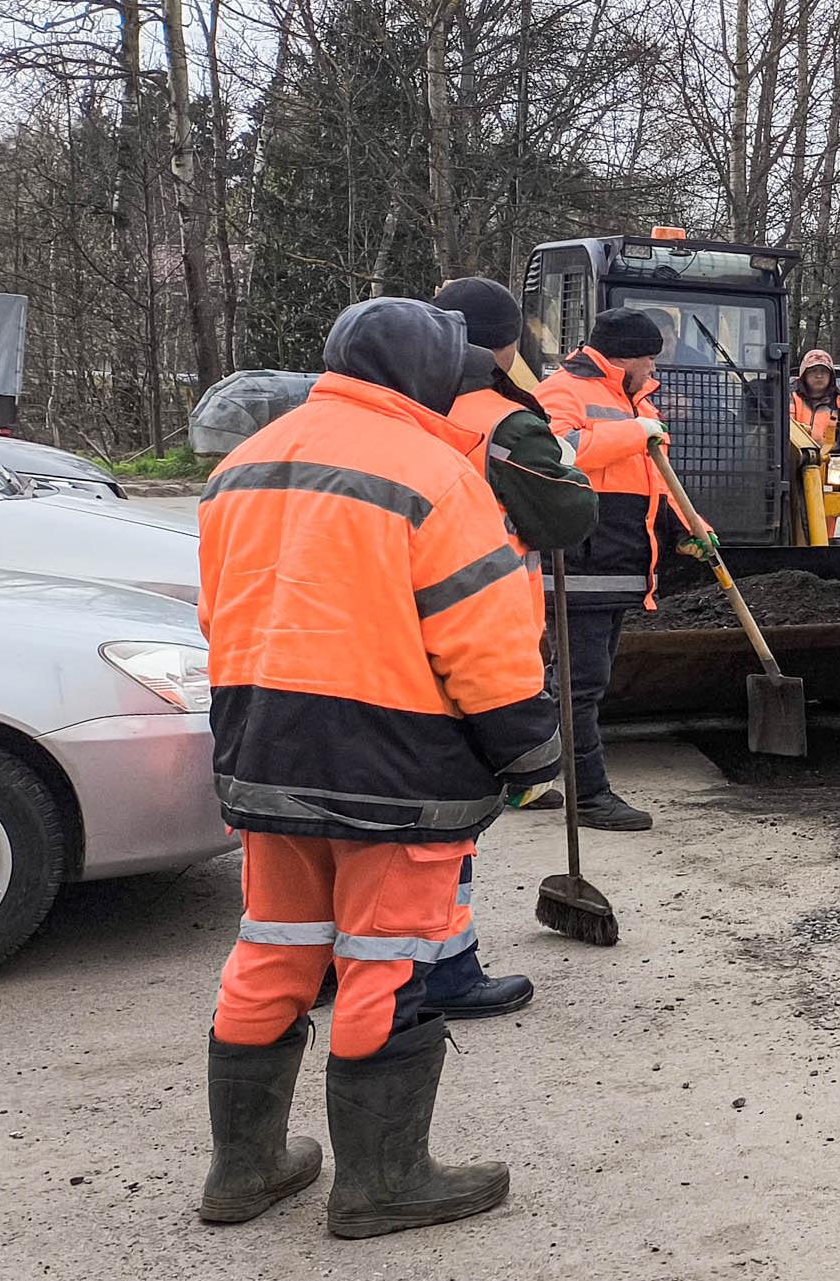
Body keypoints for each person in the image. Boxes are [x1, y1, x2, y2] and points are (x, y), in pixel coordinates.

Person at [196, 296, 556, 1236]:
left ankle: (244, 1170)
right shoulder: (435, 473)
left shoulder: (241, 464)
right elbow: (484, 639)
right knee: (385, 965)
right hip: (395, 768)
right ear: (430, 375)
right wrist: (530, 745)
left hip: (264, 753)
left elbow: (217, 618)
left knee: (273, 948)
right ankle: (382, 1181)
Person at [421, 277, 600, 1020]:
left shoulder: (406, 407)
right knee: (449, 818)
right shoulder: (507, 423)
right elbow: (565, 515)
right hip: (479, 626)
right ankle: (446, 964)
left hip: (383, 627)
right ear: (505, 345)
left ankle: (347, 956)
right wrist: (568, 466)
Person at [535, 307, 691, 832]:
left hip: (617, 562)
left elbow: (655, 481)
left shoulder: (632, 399)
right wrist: (635, 432)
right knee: (579, 685)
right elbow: (553, 453)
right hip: (580, 563)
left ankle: (527, 776)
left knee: (572, 682)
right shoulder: (562, 392)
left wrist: (693, 526)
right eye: (649, 358)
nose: (654, 369)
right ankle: (589, 796)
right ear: (623, 357)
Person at [790, 349, 840, 535]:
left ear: (831, 376)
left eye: (823, 371)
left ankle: (824, 547)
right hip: (791, 467)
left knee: (825, 521)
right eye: (813, 371)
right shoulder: (790, 397)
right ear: (803, 374)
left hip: (830, 471)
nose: (818, 376)